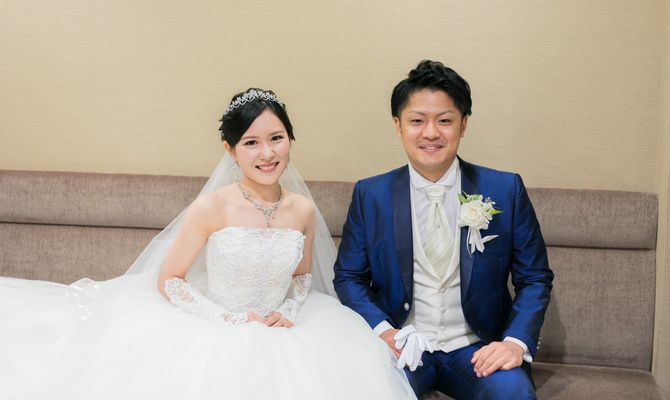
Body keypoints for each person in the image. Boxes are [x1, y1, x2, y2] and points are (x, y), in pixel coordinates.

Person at [0, 88, 417, 400]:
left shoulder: (303, 209)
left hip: (281, 328)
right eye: (251, 143)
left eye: (276, 138)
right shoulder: (211, 207)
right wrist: (229, 320)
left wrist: (287, 311)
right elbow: (171, 279)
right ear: (230, 150)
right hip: (214, 325)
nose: (267, 153)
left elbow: (302, 277)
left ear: (291, 139)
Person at [333, 61, 554, 400]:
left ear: (463, 125)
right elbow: (349, 276)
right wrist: (383, 331)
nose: (431, 133)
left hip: (477, 348)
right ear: (398, 125)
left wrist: (514, 342)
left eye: (445, 120)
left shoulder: (505, 189)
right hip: (404, 346)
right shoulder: (370, 195)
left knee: (513, 394)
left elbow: (535, 278)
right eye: (417, 121)